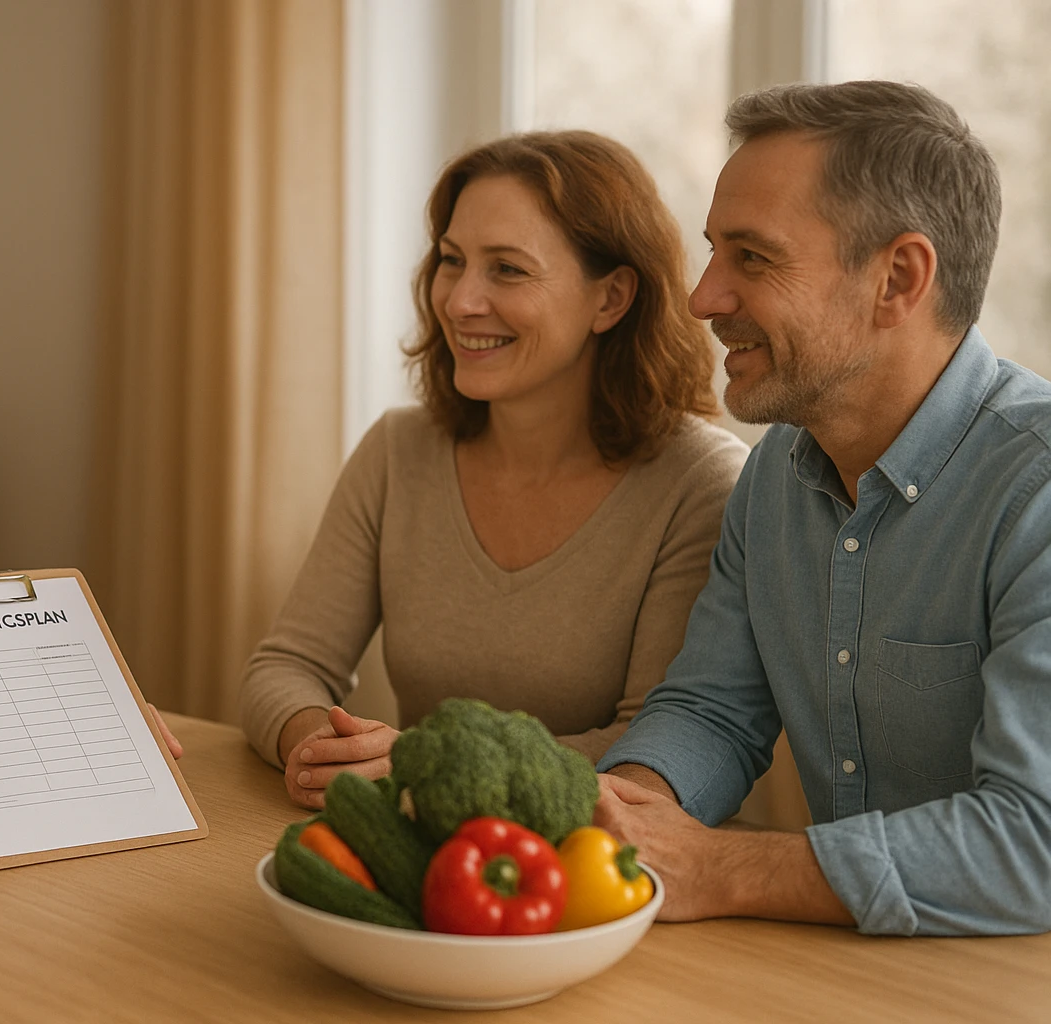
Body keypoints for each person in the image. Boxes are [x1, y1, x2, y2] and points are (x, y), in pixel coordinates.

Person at [593, 80, 1051, 937]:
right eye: (713, 253)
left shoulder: (1040, 496)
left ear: (898, 279)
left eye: (753, 258)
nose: (703, 298)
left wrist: (720, 867)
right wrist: (625, 815)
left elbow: (1037, 843)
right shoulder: (773, 477)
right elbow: (712, 712)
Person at [239, 132, 749, 809]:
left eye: (507, 269)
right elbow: (286, 666)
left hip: (603, 876)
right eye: (452, 261)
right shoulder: (398, 450)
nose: (459, 301)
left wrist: (426, 766)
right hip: (427, 843)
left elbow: (653, 743)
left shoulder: (701, 483)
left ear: (611, 299)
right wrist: (319, 745)